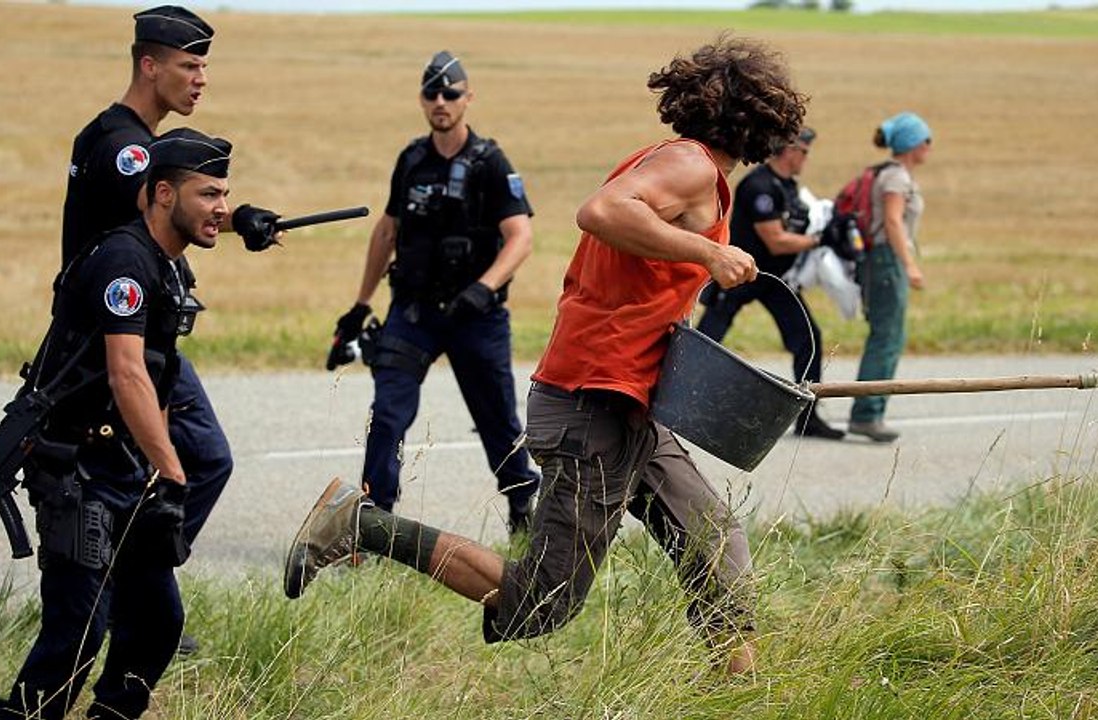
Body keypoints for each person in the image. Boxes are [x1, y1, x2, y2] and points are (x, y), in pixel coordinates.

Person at [288, 37, 806, 673]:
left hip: (631, 399)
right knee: (543, 600)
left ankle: (742, 693)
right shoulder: (691, 166)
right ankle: (360, 524)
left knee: (712, 539)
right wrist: (709, 253)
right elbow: (600, 210)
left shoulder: (688, 168)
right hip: (594, 403)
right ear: (759, 119)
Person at [0, 129, 233, 720]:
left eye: (225, 194)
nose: (222, 209)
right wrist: (174, 473)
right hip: (78, 469)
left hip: (125, 469)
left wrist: (154, 471)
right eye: (208, 195)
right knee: (77, 630)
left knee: (157, 623)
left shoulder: (170, 268)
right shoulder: (123, 261)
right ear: (164, 195)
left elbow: (159, 376)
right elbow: (126, 375)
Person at [61, 5, 280, 653]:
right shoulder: (122, 145)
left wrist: (242, 220)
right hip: (106, 348)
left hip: (136, 338)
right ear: (149, 65)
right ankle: (128, 605)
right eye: (190, 64)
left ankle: (134, 603)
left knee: (193, 461)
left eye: (205, 65)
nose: (201, 78)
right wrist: (236, 219)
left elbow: (177, 193)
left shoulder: (133, 140)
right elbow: (167, 195)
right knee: (185, 463)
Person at [326, 51, 539, 533]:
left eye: (451, 93)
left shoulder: (489, 162)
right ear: (422, 101)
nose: (441, 102)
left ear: (468, 99)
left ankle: (524, 504)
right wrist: (360, 307)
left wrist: (484, 289)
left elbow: (520, 235)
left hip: (476, 317)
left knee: (499, 422)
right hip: (413, 315)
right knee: (387, 416)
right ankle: (374, 523)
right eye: (432, 94)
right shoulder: (412, 160)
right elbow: (387, 231)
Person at [696, 126, 844, 440]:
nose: (806, 158)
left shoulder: (789, 187)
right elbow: (775, 240)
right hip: (741, 274)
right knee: (705, 342)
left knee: (808, 339)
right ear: (789, 150)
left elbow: (798, 225)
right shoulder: (759, 187)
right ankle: (680, 401)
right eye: (804, 152)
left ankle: (808, 418)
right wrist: (819, 240)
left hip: (775, 278)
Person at [847, 112, 933, 443]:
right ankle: (867, 414)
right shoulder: (896, 178)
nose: (929, 147)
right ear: (913, 144)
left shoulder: (889, 173)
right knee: (887, 337)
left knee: (887, 336)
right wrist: (908, 264)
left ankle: (870, 410)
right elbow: (894, 223)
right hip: (887, 261)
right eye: (926, 140)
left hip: (882, 260)